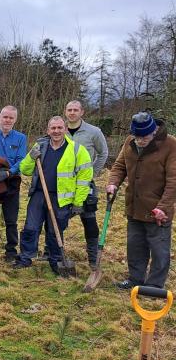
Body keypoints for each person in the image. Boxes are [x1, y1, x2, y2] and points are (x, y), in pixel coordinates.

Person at [12, 116, 93, 275]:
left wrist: (78, 201)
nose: (56, 131)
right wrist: (31, 157)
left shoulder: (77, 150)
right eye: (53, 128)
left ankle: (55, 260)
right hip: (39, 194)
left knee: (55, 230)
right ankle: (26, 257)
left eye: (59, 128)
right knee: (30, 227)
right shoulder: (40, 147)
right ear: (48, 130)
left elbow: (84, 178)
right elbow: (25, 170)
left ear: (65, 129)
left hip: (61, 198)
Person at [107, 112, 176, 289]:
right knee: (135, 246)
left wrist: (163, 207)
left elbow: (173, 181)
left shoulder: (170, 144)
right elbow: (119, 166)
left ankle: (154, 286)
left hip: (158, 210)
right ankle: (135, 280)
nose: (140, 141)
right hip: (134, 207)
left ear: (153, 132)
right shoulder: (130, 141)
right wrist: (113, 183)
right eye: (137, 137)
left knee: (159, 249)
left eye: (143, 137)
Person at [63, 100, 109, 269]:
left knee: (89, 219)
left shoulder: (94, 132)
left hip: (85, 184)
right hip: (63, 185)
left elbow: (103, 153)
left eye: (76, 110)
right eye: (69, 110)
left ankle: (93, 258)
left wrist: (92, 172)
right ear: (66, 112)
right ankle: (51, 251)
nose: (72, 113)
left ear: (82, 112)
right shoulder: (60, 130)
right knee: (59, 217)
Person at [0, 106, 27, 261]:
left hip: (11, 183)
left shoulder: (21, 138)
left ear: (15, 120)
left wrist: (9, 172)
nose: (7, 120)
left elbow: (22, 160)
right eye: (5, 117)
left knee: (11, 220)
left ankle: (11, 250)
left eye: (11, 118)